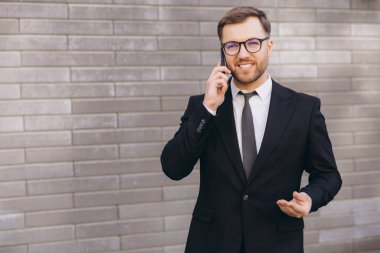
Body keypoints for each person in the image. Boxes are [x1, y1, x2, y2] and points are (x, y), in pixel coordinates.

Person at [160, 6, 342, 253]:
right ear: (223, 52)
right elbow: (173, 167)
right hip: (212, 243)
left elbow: (329, 175)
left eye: (252, 43)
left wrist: (309, 199)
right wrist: (208, 108)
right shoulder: (202, 106)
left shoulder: (304, 108)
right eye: (232, 45)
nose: (242, 53)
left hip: (277, 243)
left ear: (269, 46)